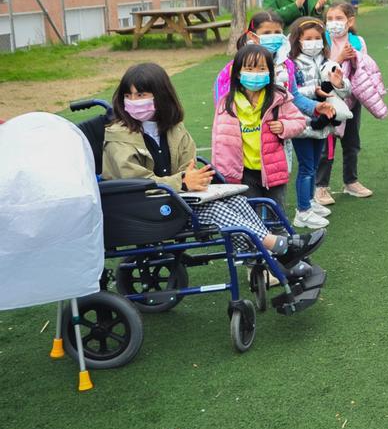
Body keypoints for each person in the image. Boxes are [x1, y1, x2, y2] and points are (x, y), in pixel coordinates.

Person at [103, 63, 322, 267]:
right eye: (128, 95)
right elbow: (135, 181)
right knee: (215, 208)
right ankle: (277, 247)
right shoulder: (118, 136)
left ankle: (268, 249)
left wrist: (191, 180)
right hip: (144, 207)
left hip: (174, 197)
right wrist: (182, 181)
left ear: (160, 96)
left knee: (234, 199)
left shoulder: (172, 128)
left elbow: (187, 167)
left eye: (141, 94)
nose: (134, 100)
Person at [211, 44, 308, 212]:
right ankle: (256, 239)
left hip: (273, 168)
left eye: (261, 68)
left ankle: (281, 237)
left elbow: (299, 121)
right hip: (244, 172)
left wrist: (284, 126)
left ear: (270, 72)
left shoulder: (278, 98)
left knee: (277, 214)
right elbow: (219, 141)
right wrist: (222, 172)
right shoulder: (226, 103)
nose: (255, 74)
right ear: (238, 72)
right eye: (249, 68)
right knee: (251, 214)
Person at [313, 2, 386, 205]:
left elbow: (364, 67)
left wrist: (355, 60)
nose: (333, 23)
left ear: (350, 21)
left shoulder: (358, 41)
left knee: (352, 142)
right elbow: (320, 69)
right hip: (328, 99)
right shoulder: (321, 41)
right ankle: (320, 186)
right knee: (327, 144)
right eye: (330, 19)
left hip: (352, 98)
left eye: (339, 18)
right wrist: (339, 57)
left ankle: (351, 181)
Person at [289, 18, 349, 228]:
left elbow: (343, 88)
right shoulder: (292, 64)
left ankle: (311, 202)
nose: (313, 42)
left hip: (322, 122)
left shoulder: (325, 61)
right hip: (302, 123)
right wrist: (315, 88)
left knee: (313, 165)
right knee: (306, 167)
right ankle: (302, 211)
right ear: (298, 40)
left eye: (317, 38)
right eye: (308, 39)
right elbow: (291, 91)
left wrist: (339, 83)